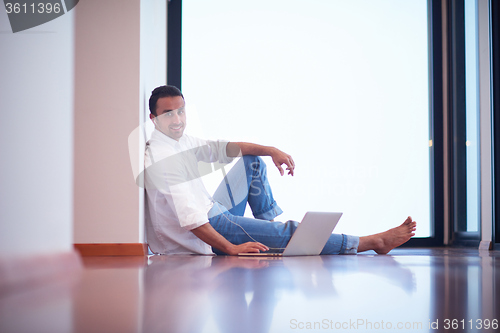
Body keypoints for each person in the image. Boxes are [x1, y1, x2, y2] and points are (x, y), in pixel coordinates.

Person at [144, 85, 416, 256]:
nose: (177, 119)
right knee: (292, 233)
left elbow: (224, 148)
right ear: (153, 118)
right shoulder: (162, 157)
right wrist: (230, 248)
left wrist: (271, 149)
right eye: (169, 114)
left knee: (252, 161)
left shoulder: (179, 140)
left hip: (212, 210)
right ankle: (373, 242)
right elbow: (192, 219)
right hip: (209, 229)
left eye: (181, 111)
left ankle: (267, 230)